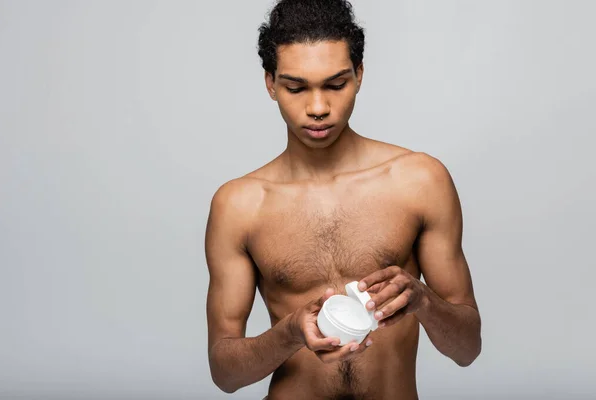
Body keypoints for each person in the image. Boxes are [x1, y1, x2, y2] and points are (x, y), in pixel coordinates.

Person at [205, 1, 482, 398]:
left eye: (335, 85)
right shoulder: (239, 205)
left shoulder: (419, 181)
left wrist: (422, 301)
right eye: (296, 87)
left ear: (359, 75)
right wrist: (289, 333)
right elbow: (224, 373)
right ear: (270, 84)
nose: (318, 108)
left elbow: (467, 349)